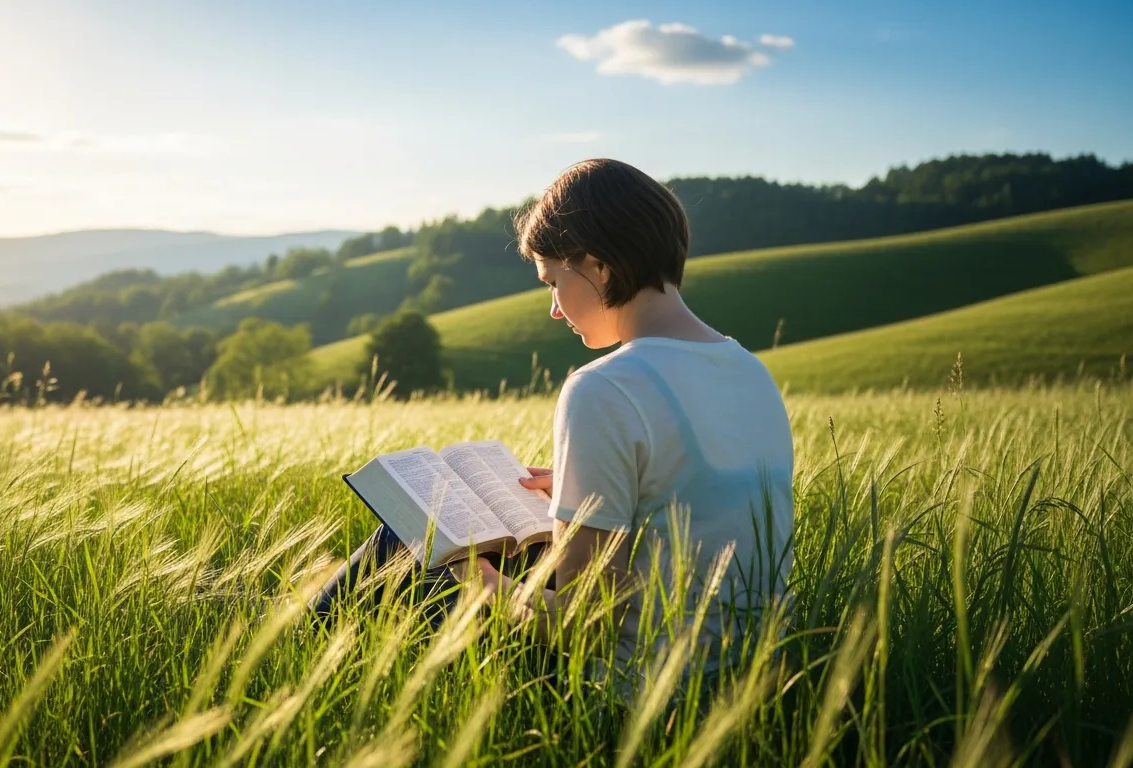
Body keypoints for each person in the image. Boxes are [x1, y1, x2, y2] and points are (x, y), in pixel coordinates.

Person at [313, 158, 794, 684]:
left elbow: (583, 626)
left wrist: (477, 581)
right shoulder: (752, 372)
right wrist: (579, 492)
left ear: (598, 264)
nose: (554, 310)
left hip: (630, 690)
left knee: (409, 535)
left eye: (552, 281)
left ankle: (298, 659)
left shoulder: (603, 387)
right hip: (744, 677)